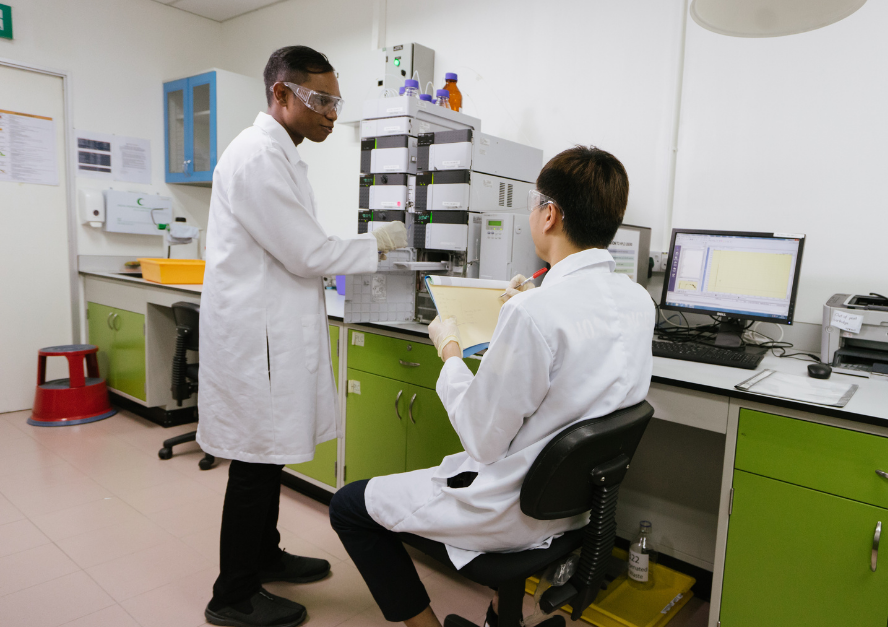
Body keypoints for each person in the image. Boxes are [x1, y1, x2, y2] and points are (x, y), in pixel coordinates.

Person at [329, 146, 655, 627]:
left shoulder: (535, 313)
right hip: (582, 507)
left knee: (348, 506)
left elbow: (481, 441)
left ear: (549, 214)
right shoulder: (637, 300)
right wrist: (532, 304)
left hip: (513, 507)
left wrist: (450, 352)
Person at [197, 46, 408, 627]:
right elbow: (307, 252)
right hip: (256, 340)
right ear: (281, 95)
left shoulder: (282, 155)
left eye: (336, 101)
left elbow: (298, 248)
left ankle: (263, 555)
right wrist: (380, 242)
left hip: (271, 333)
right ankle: (232, 594)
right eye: (320, 100)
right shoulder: (257, 156)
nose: (331, 114)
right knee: (254, 463)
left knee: (268, 459)